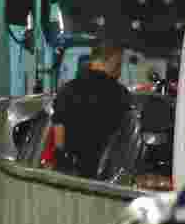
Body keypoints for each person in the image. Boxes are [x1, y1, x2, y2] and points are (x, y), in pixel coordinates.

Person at [49, 41, 131, 178]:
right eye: (119, 64)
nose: (120, 71)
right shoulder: (120, 95)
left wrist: (61, 160)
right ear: (113, 60)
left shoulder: (68, 89)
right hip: (107, 175)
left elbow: (59, 129)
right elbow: (124, 137)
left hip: (70, 173)